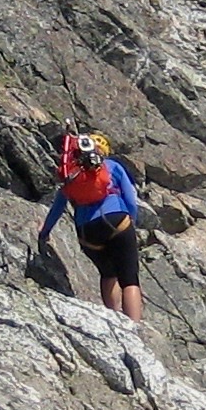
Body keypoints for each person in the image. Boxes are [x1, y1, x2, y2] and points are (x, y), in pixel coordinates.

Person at [38, 131, 143, 323]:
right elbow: (131, 200)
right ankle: (134, 329)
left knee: (108, 273)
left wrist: (44, 233)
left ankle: (115, 320)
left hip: (87, 232)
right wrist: (131, 224)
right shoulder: (112, 166)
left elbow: (58, 207)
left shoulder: (72, 173)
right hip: (117, 221)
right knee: (129, 279)